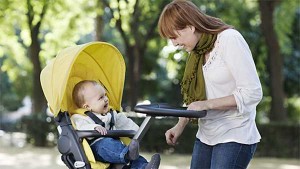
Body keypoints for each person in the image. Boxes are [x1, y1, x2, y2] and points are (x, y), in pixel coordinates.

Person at [158, 0, 263, 169]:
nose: (174, 43)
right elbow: (196, 101)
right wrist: (180, 125)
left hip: (235, 133)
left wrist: (207, 104)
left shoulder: (229, 39)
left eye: (174, 36)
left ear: (190, 26)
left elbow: (253, 93)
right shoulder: (197, 51)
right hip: (206, 135)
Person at [71, 80, 160, 169]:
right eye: (101, 98)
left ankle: (145, 167)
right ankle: (127, 154)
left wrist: (137, 131)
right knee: (106, 144)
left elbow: (125, 123)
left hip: (118, 148)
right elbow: (80, 127)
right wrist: (94, 127)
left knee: (134, 156)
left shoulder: (112, 114)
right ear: (87, 107)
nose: (106, 99)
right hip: (97, 149)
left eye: (105, 95)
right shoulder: (81, 117)